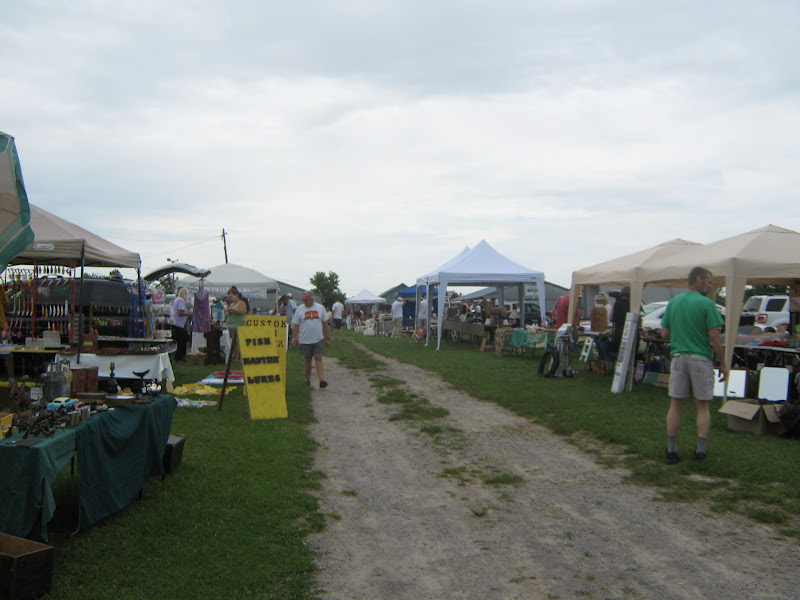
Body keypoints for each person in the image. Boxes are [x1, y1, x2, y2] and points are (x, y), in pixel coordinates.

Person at [660, 267, 728, 465]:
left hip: (679, 357)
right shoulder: (707, 304)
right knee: (703, 405)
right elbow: (714, 336)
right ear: (698, 280)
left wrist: (681, 336)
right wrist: (723, 363)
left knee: (675, 404)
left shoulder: (674, 302)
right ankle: (700, 451)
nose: (711, 285)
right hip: (700, 358)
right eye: (709, 281)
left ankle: (672, 450)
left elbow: (664, 333)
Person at [291, 290, 330, 388]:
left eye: (306, 300)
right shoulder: (299, 309)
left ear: (312, 299)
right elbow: (296, 325)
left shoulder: (320, 308)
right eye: (303, 300)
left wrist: (327, 337)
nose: (304, 302)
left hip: (318, 338)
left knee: (318, 358)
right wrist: (294, 337)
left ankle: (322, 380)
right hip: (304, 339)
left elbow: (325, 324)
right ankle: (308, 380)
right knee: (307, 359)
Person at [225, 287, 247, 361]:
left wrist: (232, 309)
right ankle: (236, 356)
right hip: (231, 324)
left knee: (237, 341)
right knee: (234, 342)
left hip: (239, 324)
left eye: (231, 296)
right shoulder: (232, 304)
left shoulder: (241, 303)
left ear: (236, 295)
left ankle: (239, 357)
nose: (230, 298)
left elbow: (241, 312)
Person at [171, 288, 192, 362]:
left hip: (177, 323)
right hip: (179, 324)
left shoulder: (177, 299)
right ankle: (180, 357)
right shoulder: (181, 300)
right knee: (182, 341)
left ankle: (179, 356)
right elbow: (180, 312)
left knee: (181, 340)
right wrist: (189, 314)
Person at [611, 286, 631, 355]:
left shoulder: (616, 304)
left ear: (621, 294)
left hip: (618, 333)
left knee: (620, 355)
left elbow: (611, 318)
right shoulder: (633, 305)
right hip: (631, 334)